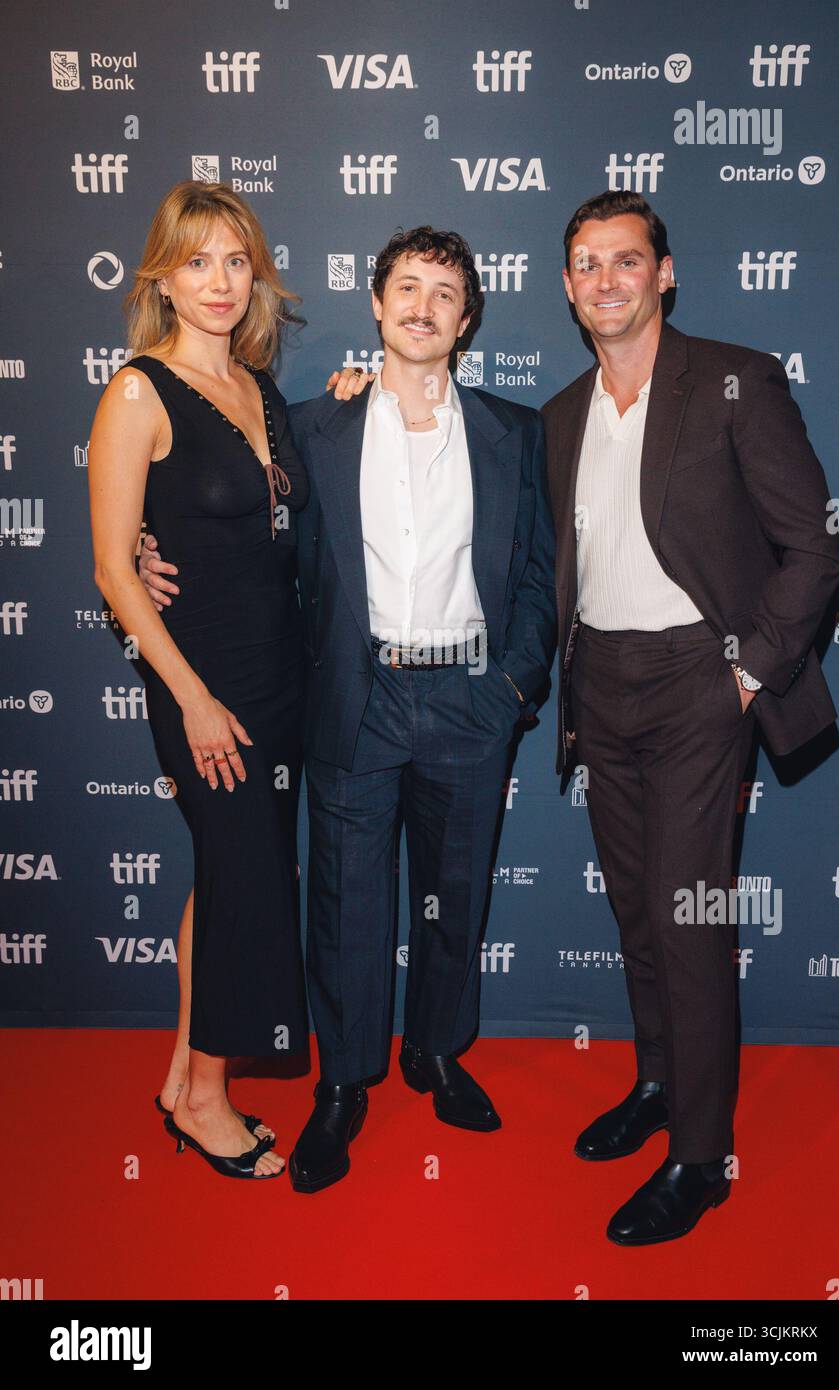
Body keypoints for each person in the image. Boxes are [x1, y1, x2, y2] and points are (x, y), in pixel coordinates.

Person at [140, 225, 558, 1193]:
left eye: (444, 293)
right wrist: (138, 562)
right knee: (346, 905)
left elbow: (540, 573)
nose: (422, 307)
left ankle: (439, 1053)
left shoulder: (515, 430)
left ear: (467, 318)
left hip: (469, 698)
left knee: (457, 897)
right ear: (376, 305)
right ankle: (345, 1081)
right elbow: (237, 535)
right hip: (351, 697)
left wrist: (514, 685)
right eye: (405, 288)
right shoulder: (308, 427)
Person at [542, 190, 839, 1243]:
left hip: (698, 685)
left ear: (664, 273)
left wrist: (745, 675)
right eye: (587, 263)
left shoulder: (734, 381)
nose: (607, 280)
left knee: (688, 922)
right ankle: (661, 1084)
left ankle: (703, 1159)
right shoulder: (561, 416)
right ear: (568, 285)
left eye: (627, 260)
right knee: (638, 914)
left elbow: (815, 550)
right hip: (602, 686)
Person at [90, 180, 316, 1179]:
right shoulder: (138, 388)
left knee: (228, 874)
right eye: (197, 262)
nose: (220, 281)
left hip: (278, 672)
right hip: (202, 681)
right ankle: (208, 1104)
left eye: (235, 259)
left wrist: (349, 389)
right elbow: (110, 567)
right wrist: (190, 697)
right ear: (163, 278)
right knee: (247, 877)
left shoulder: (260, 385)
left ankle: (185, 1074)